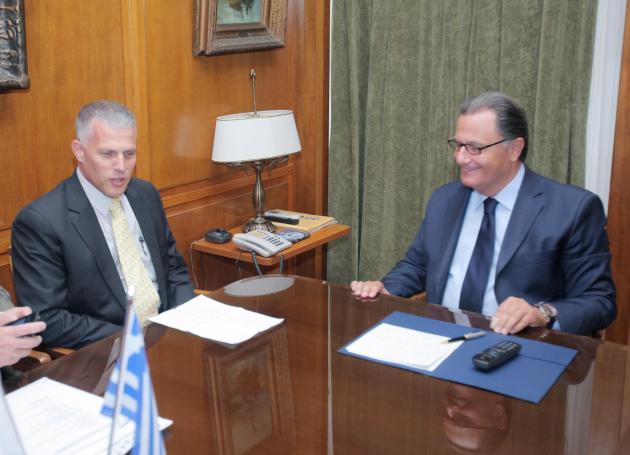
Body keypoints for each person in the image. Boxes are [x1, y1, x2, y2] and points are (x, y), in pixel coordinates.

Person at [351, 92, 616, 336]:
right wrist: (385, 287)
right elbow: (418, 265)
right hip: (440, 339)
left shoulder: (572, 209)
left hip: (522, 345)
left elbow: (599, 301)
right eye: (458, 145)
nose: (461, 158)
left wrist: (542, 313)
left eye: (474, 148)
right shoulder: (445, 199)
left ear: (514, 149)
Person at [11, 101, 194, 349]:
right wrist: (133, 339)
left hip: (171, 336)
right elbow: (48, 319)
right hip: (107, 353)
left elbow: (174, 269)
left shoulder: (145, 194)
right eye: (108, 154)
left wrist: (186, 322)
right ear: (79, 151)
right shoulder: (40, 221)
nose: (121, 167)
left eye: (129, 154)